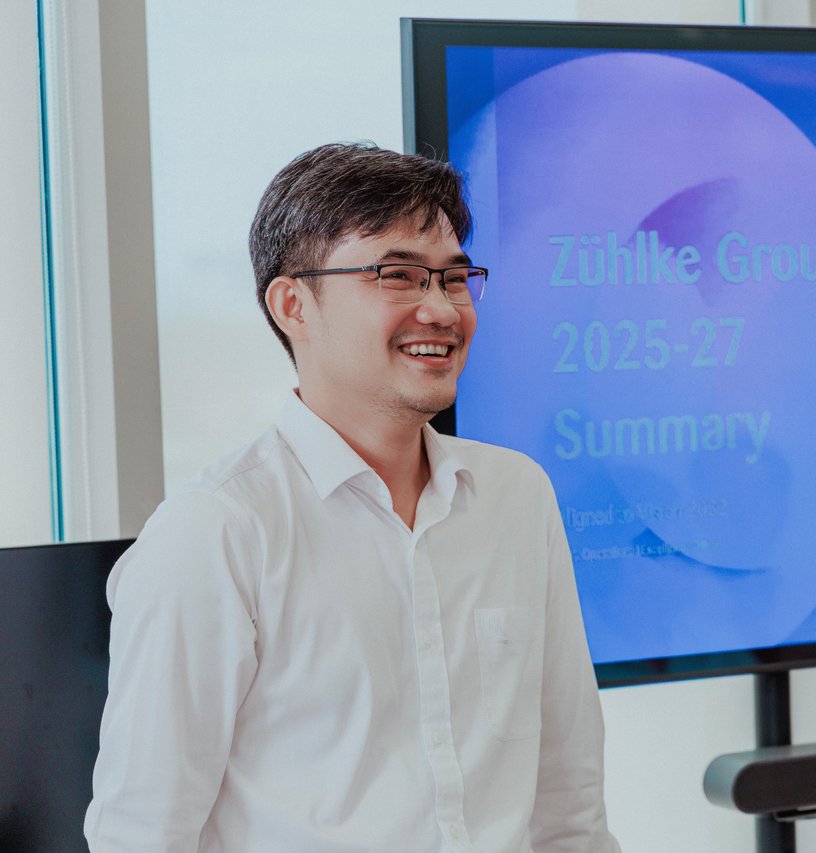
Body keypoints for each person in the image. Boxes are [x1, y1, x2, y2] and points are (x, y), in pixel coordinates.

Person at [85, 142, 620, 853]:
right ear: (293, 303)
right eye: (398, 276)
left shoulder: (517, 495)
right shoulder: (217, 531)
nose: (440, 308)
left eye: (455, 279)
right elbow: (143, 835)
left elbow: (569, 804)